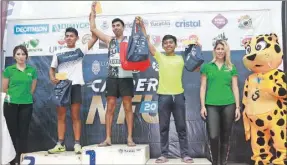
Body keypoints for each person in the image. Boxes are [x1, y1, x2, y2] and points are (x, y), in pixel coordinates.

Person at [136, 17, 194, 163]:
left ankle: (185, 154)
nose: (168, 45)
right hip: (163, 97)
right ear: (163, 45)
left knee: (181, 127)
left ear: (175, 45)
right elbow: (148, 44)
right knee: (164, 127)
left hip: (178, 96)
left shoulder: (181, 58)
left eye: (171, 42)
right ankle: (164, 155)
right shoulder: (160, 57)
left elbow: (196, 61)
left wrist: (197, 45)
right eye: (166, 43)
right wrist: (142, 26)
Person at [47, 6, 98, 154]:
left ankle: (77, 144)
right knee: (61, 116)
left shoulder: (80, 50)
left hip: (75, 85)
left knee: (75, 116)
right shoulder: (58, 53)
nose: (69, 38)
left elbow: (94, 37)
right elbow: (52, 68)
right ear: (65, 38)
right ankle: (60, 144)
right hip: (62, 86)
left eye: (71, 36)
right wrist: (52, 77)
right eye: (67, 36)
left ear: (76, 38)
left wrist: (92, 19)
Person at [89, 2, 136, 147]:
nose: (115, 28)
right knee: (110, 107)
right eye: (113, 26)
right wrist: (92, 14)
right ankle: (108, 138)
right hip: (112, 77)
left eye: (118, 25)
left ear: (123, 27)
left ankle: (129, 138)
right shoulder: (110, 40)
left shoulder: (130, 41)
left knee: (128, 107)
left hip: (127, 77)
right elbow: (93, 28)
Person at [199, 40, 241, 165]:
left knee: (225, 136)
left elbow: (235, 87)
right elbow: (203, 87)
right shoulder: (207, 67)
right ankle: (215, 162)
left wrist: (238, 107)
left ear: (226, 51)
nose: (220, 51)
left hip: (229, 104)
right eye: (218, 48)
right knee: (213, 136)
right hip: (211, 105)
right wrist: (202, 106)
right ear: (214, 50)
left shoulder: (231, 67)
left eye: (223, 49)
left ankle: (223, 162)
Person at [2, 45, 38, 165]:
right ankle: (12, 160)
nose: (21, 56)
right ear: (14, 56)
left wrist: (24, 97)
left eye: (23, 54)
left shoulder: (32, 70)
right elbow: (5, 88)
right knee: (12, 132)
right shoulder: (9, 70)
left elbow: (32, 88)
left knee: (23, 132)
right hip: (10, 105)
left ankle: (22, 158)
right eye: (18, 54)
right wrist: (15, 97)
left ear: (26, 56)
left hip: (26, 104)